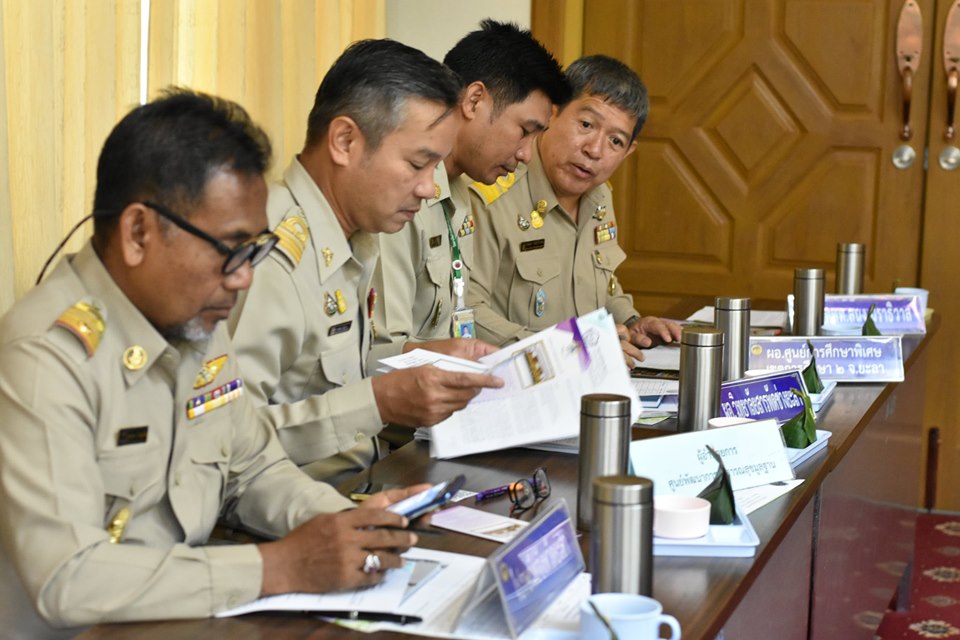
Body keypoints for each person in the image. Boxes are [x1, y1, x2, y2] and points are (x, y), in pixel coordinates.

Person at [0, 89, 428, 628]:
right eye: (230, 249)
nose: (244, 277)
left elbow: (252, 468)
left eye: (254, 250)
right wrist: (279, 566)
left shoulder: (194, 316)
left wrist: (348, 525)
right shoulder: (45, 358)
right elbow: (68, 577)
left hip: (192, 615)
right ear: (138, 233)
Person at [228, 39, 503, 484]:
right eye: (417, 164)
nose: (429, 188)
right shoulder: (271, 257)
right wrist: (378, 402)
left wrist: (418, 357)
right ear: (344, 141)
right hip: (299, 504)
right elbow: (227, 441)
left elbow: (325, 375)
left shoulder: (354, 235)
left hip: (362, 481)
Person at [369, 20, 570, 365]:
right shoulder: (403, 193)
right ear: (474, 100)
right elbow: (383, 356)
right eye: (524, 131)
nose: (526, 154)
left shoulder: (459, 195)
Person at [466, 55, 682, 362]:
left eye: (615, 141)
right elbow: (467, 311)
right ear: (552, 113)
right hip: (517, 377)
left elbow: (597, 283)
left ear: (628, 152)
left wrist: (632, 322)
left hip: (586, 376)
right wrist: (565, 348)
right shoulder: (493, 193)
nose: (594, 150)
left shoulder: (599, 196)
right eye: (586, 124)